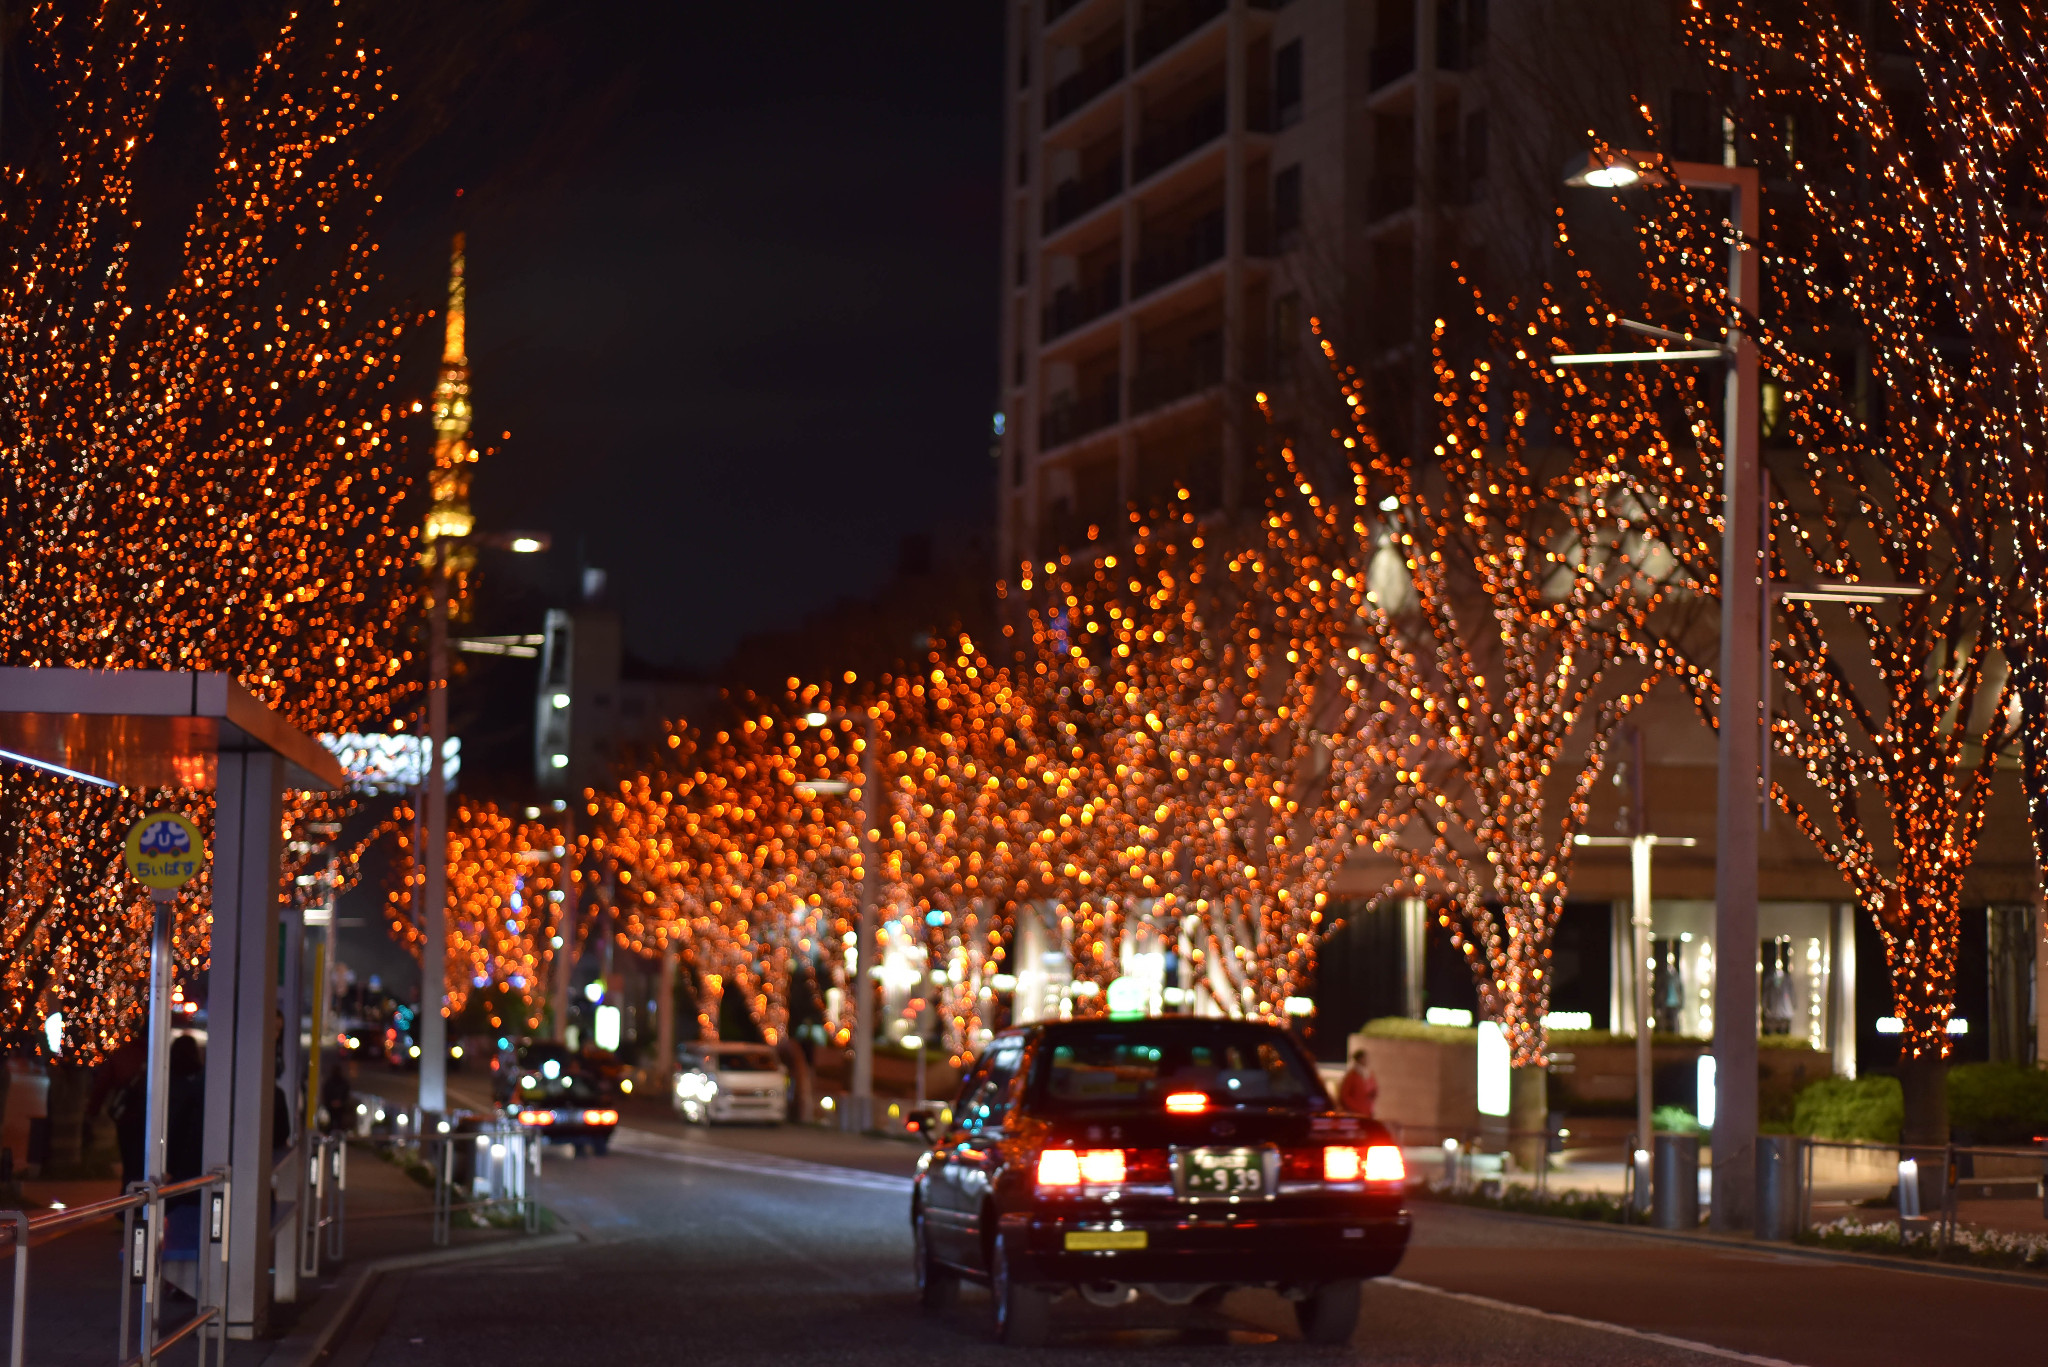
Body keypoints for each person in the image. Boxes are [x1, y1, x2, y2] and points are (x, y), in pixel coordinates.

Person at [1337, 1047, 1378, 1118]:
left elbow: (1373, 1091)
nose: (1366, 1060)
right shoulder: (1351, 1076)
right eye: (1364, 1058)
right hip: (1355, 1113)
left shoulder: (1369, 1075)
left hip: (1367, 1112)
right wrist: (1355, 1108)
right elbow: (1344, 1096)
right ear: (1359, 1059)